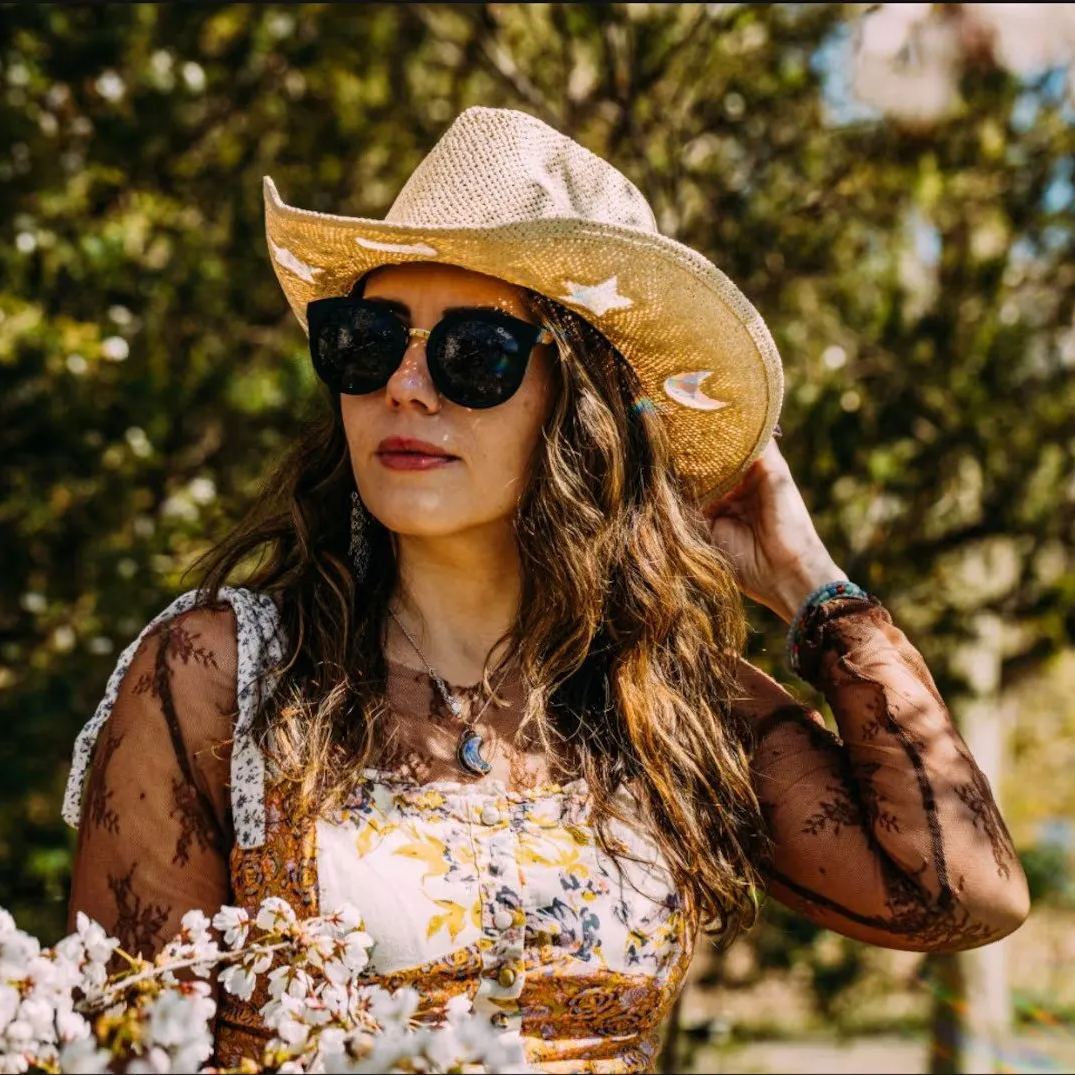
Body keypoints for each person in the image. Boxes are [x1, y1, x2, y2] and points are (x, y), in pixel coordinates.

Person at [62, 106, 1029, 1073]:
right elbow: (126, 1051)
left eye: (473, 352)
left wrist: (808, 584)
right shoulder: (221, 678)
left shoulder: (669, 700)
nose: (404, 384)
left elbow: (961, 892)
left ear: (584, 408)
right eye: (363, 339)